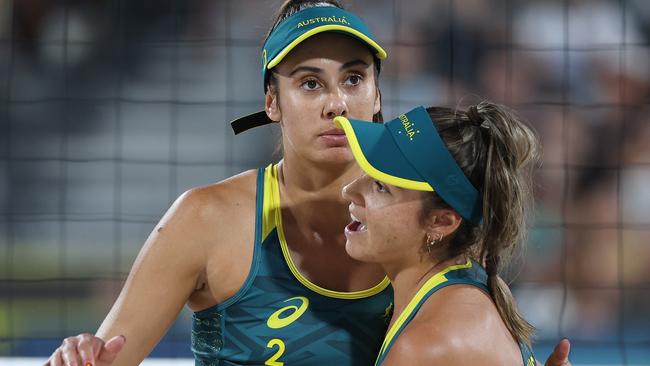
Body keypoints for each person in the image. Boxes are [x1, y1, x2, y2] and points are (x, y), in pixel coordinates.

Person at [45, 1, 572, 365]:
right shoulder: (205, 219)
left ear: (378, 96)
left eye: (353, 78)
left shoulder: (425, 223)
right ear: (272, 103)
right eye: (309, 82)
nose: (336, 103)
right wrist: (81, 353)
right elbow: (105, 355)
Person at [335, 103, 560, 365]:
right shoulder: (470, 285)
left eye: (380, 186)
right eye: (368, 171)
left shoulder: (426, 345)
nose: (349, 191)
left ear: (441, 222)